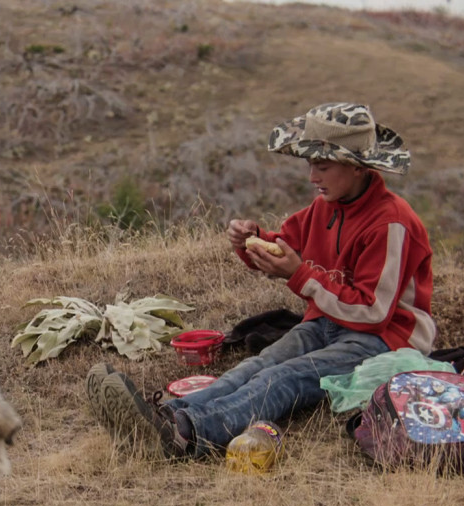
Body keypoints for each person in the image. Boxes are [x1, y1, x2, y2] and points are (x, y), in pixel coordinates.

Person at [91, 102, 436, 459]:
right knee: (258, 365)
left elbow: (373, 311)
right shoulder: (326, 207)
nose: (312, 177)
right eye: (310, 165)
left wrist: (300, 275)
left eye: (322, 167)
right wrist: (252, 240)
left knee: (284, 377)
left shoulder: (391, 223)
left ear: (357, 167)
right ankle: (163, 415)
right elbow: (284, 245)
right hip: (328, 322)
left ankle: (187, 434)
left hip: (384, 340)